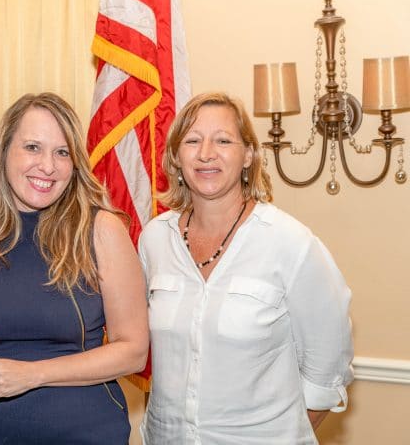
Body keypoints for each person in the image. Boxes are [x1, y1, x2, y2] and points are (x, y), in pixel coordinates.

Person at [0, 92, 149, 444]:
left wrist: (31, 375)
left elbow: (133, 350)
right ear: (4, 151)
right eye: (32, 147)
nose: (48, 165)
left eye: (62, 152)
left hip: (85, 433)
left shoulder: (100, 229)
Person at [138, 92, 354, 444]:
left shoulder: (290, 242)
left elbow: (326, 367)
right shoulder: (153, 240)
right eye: (193, 140)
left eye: (223, 140)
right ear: (176, 157)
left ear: (248, 155)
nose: (206, 153)